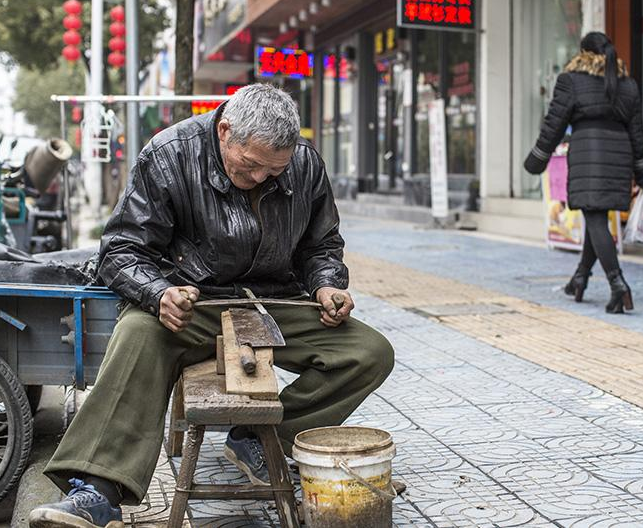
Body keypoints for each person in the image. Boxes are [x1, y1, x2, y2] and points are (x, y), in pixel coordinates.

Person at [29, 83, 394, 528]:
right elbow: (121, 250)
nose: (262, 178)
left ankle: (264, 441)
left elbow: (322, 245)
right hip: (192, 301)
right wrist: (159, 293)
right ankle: (97, 491)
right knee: (138, 333)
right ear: (225, 131)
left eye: (274, 171)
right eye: (253, 165)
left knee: (368, 353)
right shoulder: (169, 154)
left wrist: (326, 285)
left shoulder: (304, 164)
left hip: (273, 302)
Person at [524, 32, 643, 314]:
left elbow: (553, 124)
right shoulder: (627, 85)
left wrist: (538, 158)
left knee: (595, 220)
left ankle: (619, 286)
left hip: (588, 154)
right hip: (619, 156)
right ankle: (579, 279)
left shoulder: (571, 81)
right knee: (598, 220)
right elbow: (637, 132)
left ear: (583, 53)